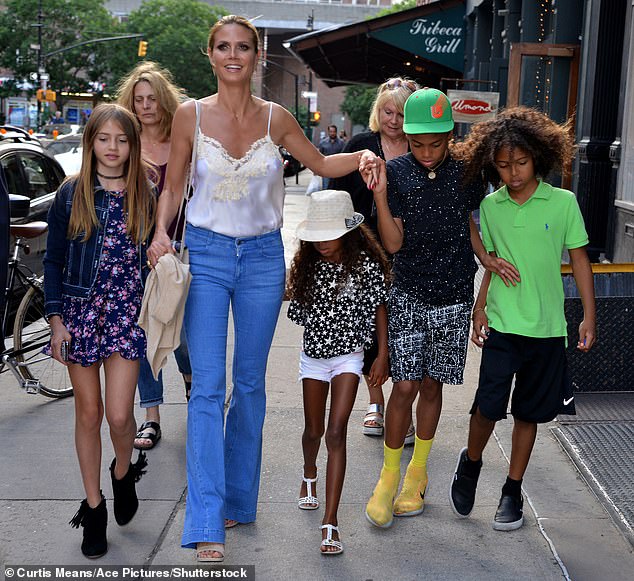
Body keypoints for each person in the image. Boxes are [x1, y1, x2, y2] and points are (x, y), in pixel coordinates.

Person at [145, 15, 378, 563]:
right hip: (203, 253)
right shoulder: (189, 116)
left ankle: (239, 500)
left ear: (258, 54)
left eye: (243, 47)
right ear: (211, 55)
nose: (233, 55)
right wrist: (159, 233)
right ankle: (206, 519)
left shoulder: (277, 118)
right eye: (223, 47)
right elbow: (175, 185)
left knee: (249, 385)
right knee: (206, 387)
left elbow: (321, 163)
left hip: (262, 259)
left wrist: (365, 157)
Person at [360, 88, 519, 528]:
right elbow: (393, 243)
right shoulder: (396, 172)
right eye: (418, 143)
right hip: (409, 291)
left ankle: (418, 473)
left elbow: (469, 223)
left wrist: (486, 257)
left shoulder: (468, 172)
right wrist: (380, 193)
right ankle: (388, 477)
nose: (427, 152)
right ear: (406, 136)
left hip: (453, 294)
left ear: (451, 133)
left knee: (432, 386)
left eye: (436, 142)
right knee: (405, 386)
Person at [449, 106, 596, 531]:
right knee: (488, 407)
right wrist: (480, 306)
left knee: (528, 413)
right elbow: (493, 265)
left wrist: (588, 315)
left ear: (538, 156)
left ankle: (512, 490)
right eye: (503, 165)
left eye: (521, 162)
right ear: (492, 165)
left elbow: (580, 261)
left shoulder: (563, 202)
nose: (513, 173)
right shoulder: (491, 207)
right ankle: (471, 462)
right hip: (502, 323)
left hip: (548, 327)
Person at [43, 103, 154, 557]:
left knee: (120, 416)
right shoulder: (71, 193)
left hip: (126, 314)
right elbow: (51, 259)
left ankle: (123, 471)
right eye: (104, 138)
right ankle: (94, 509)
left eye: (122, 140)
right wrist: (54, 319)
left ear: (132, 145)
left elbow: (154, 254)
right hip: (79, 315)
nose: (112, 148)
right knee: (88, 415)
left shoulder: (143, 193)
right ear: (91, 142)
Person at [287, 190, 391, 555]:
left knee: (336, 432)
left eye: (329, 235)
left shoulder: (365, 264)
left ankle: (330, 522)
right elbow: (300, 316)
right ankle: (309, 472)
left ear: (347, 231)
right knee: (313, 430)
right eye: (315, 237)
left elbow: (380, 308)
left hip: (350, 356)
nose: (322, 244)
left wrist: (383, 355)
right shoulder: (306, 265)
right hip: (313, 358)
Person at [333, 77, 418, 442]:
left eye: (401, 113)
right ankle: (376, 401)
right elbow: (337, 197)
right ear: (377, 111)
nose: (394, 120)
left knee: (405, 329)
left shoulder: (421, 148)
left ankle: (403, 409)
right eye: (387, 111)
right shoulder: (360, 146)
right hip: (365, 247)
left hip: (412, 251)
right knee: (369, 325)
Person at [116, 60, 192, 451]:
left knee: (183, 334)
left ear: (164, 102)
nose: (145, 106)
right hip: (135, 254)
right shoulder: (126, 145)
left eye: (152, 99)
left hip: (184, 250)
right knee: (144, 331)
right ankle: (152, 415)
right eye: (138, 99)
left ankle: (195, 394)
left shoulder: (184, 138)